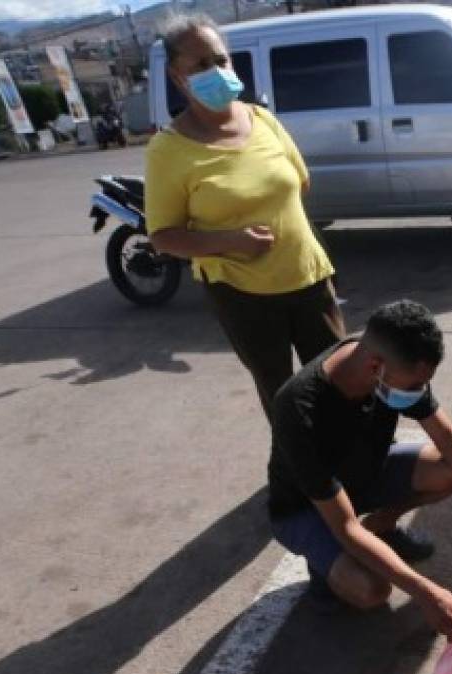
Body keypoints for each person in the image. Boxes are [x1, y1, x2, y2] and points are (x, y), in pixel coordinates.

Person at [268, 300, 452, 640]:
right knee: (371, 590)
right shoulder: (298, 408)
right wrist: (427, 592)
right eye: (413, 386)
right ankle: (323, 573)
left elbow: (450, 439)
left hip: (366, 473)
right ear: (375, 366)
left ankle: (381, 525)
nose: (418, 394)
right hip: (307, 508)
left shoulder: (392, 367)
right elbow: (347, 527)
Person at [146, 14, 344, 423]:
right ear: (176, 75)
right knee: (285, 399)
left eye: (221, 60)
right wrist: (232, 239)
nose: (215, 72)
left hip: (308, 277)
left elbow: (299, 183)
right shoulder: (168, 149)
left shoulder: (263, 120)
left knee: (336, 383)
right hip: (243, 295)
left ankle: (353, 466)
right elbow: (164, 236)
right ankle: (303, 483)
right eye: (199, 65)